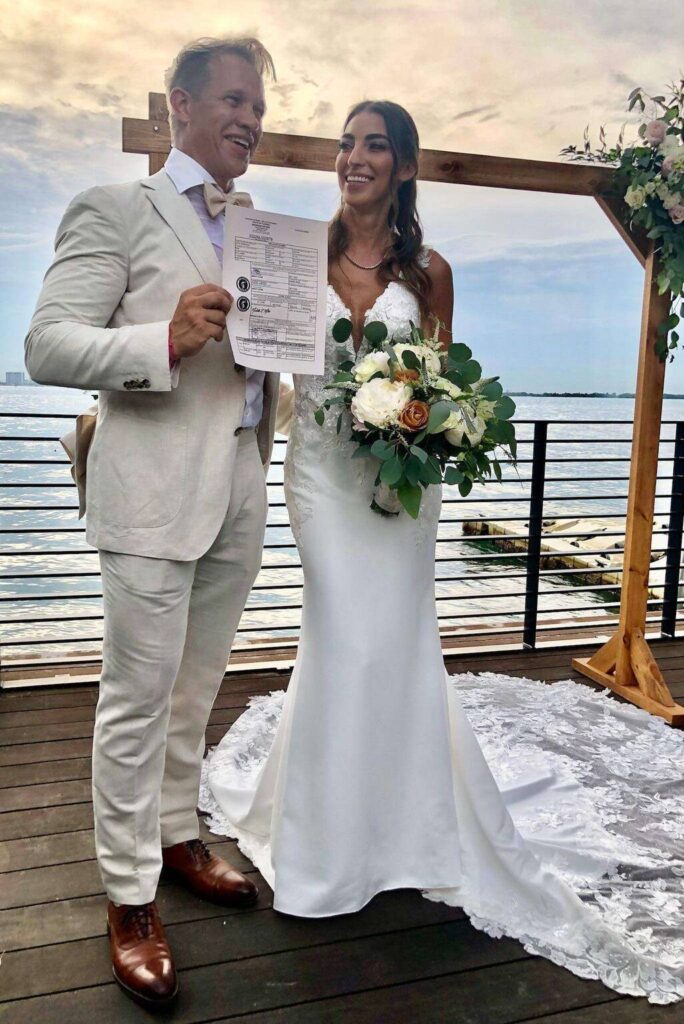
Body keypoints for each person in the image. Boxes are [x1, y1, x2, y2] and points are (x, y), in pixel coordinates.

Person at [202, 100, 684, 1004]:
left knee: (393, 644)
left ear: (402, 166)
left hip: (398, 488)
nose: (354, 158)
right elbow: (257, 357)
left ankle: (403, 828)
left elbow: (442, 381)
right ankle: (326, 842)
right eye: (345, 144)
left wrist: (426, 426)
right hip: (319, 476)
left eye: (373, 145)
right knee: (342, 636)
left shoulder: (430, 272)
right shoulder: (294, 252)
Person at [25, 36, 279, 1008]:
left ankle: (176, 835)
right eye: (232, 100)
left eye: (257, 104)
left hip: (239, 485)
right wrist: (159, 338)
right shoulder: (113, 210)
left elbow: (264, 355)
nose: (249, 119)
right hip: (146, 493)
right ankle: (127, 895)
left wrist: (276, 355)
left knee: (196, 687)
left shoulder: (258, 224)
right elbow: (47, 343)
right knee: (134, 700)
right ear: (179, 104)